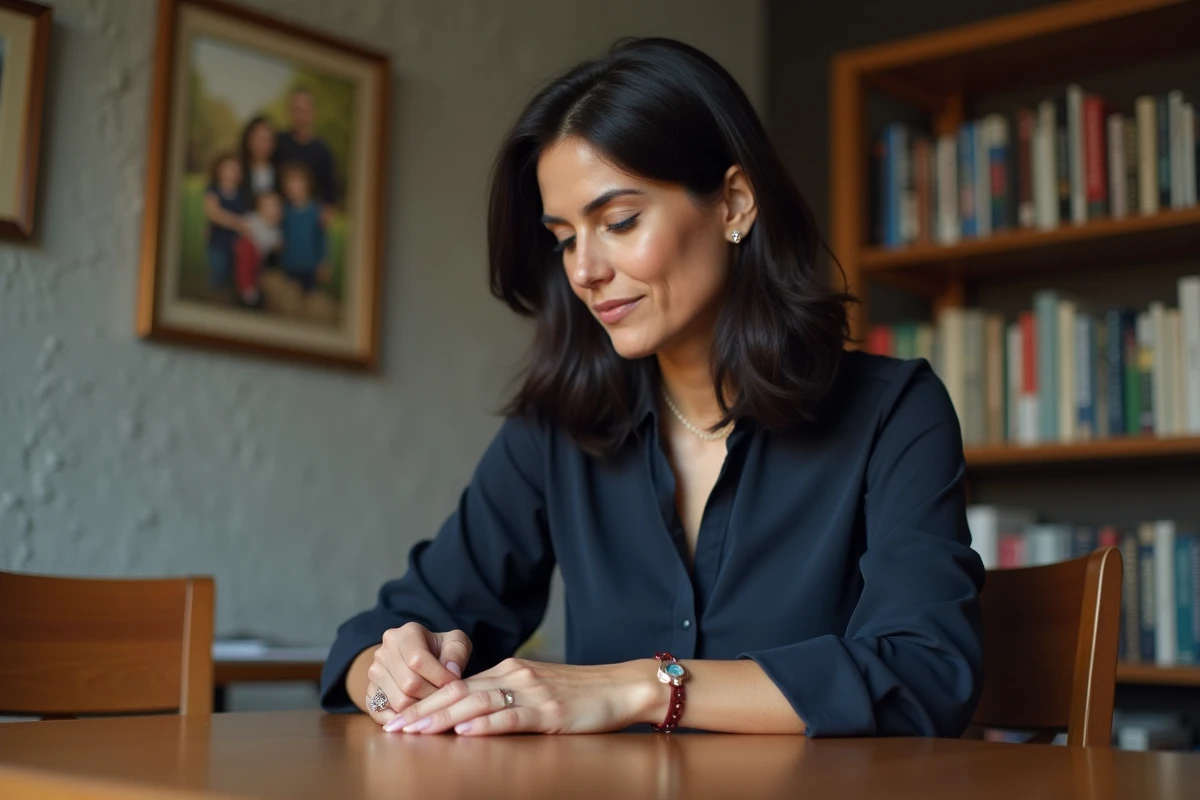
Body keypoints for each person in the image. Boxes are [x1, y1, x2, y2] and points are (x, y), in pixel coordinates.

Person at [320, 37, 985, 739]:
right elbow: (374, 637)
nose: (584, 269)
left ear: (733, 203)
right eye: (564, 238)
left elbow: (926, 676)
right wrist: (392, 673)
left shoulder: (893, 412)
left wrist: (639, 686)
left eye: (619, 222)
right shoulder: (555, 430)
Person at [272, 88, 337, 208]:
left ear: (313, 112)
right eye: (295, 109)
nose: (299, 114)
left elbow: (330, 193)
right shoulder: (278, 142)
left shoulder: (323, 151)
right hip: (277, 216)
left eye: (303, 109)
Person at [277, 162, 328, 293]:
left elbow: (321, 239)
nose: (295, 188)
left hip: (310, 267)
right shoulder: (283, 211)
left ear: (307, 185)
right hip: (289, 266)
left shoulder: (317, 211)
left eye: (299, 183)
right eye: (290, 185)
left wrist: (322, 263)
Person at [203, 153, 247, 292]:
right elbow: (213, 214)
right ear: (219, 170)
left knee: (233, 275)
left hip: (236, 243)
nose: (231, 173)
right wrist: (237, 223)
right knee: (218, 272)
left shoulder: (241, 195)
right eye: (227, 168)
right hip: (218, 241)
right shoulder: (213, 191)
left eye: (234, 169)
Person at [233, 191, 283, 308]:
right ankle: (246, 288)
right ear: (260, 209)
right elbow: (241, 227)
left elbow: (275, 247)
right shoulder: (252, 220)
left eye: (275, 206)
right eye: (268, 207)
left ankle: (253, 288)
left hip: (260, 260)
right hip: (248, 252)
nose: (272, 210)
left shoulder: (276, 231)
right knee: (246, 248)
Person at [239, 116, 278, 200]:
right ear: (249, 140)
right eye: (259, 139)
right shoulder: (238, 170)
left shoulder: (279, 172)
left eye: (267, 139)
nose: (263, 145)